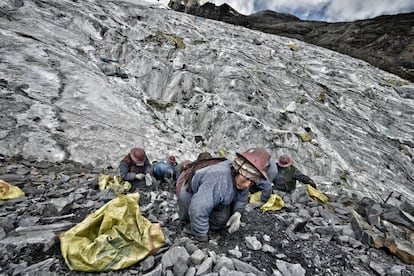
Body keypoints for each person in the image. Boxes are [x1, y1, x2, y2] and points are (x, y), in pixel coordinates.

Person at [177, 148, 270, 242]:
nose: (247, 185)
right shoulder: (219, 178)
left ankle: (202, 223)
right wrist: (201, 236)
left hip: (210, 193)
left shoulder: (243, 177)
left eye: (251, 182)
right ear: (237, 170)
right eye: (245, 179)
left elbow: (241, 198)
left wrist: (238, 212)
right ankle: (190, 228)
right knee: (201, 213)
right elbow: (197, 208)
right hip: (190, 193)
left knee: (223, 218)